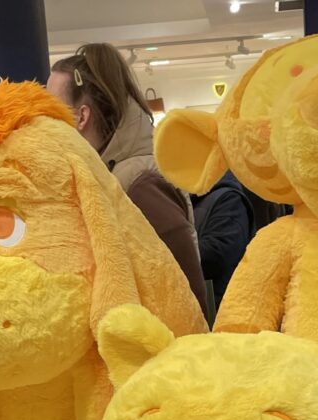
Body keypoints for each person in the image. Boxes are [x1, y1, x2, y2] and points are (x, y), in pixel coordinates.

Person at [47, 44, 207, 313]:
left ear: (81, 117)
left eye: (52, 110)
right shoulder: (109, 176)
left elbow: (186, 299)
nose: (44, 121)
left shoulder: (140, 185)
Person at [191, 170, 255, 317]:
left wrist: (176, 252)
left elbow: (219, 252)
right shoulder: (194, 199)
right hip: (204, 306)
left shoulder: (229, 199)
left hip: (223, 310)